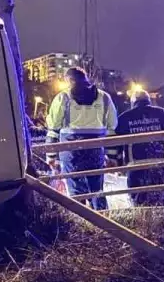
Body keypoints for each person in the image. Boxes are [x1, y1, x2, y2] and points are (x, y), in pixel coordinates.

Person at [45, 67, 118, 210]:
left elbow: (53, 129)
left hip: (71, 149)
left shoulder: (63, 97)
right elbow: (112, 128)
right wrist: (112, 156)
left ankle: (81, 222)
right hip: (95, 148)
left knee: (76, 191)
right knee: (97, 189)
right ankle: (104, 221)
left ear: (69, 80)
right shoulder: (104, 97)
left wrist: (51, 156)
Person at [114, 90, 164, 206]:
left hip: (136, 168)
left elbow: (116, 144)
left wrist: (119, 164)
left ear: (133, 103)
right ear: (149, 100)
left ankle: (143, 223)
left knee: (139, 203)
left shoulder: (124, 118)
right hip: (162, 165)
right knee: (163, 202)